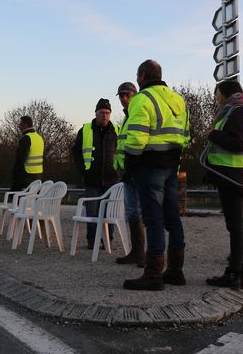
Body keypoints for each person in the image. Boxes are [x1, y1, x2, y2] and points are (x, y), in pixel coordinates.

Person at [123, 59, 190, 291]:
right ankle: (175, 270)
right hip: (172, 165)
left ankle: (153, 274)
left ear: (142, 76)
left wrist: (130, 165)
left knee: (153, 220)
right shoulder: (178, 100)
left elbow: (136, 139)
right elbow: (186, 136)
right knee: (173, 218)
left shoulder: (142, 99)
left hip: (149, 166)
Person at [205, 79, 243, 290]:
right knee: (238, 226)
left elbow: (238, 143)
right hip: (238, 174)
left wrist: (212, 134)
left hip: (232, 175)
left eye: (217, 94)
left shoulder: (236, 111)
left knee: (235, 227)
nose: (216, 98)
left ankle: (236, 274)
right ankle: (238, 273)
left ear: (225, 93)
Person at [71, 98, 118, 249]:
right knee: (92, 211)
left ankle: (107, 240)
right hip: (91, 179)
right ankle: (92, 240)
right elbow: (76, 152)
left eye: (107, 113)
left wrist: (120, 171)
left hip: (111, 179)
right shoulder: (85, 130)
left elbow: (123, 152)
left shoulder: (117, 130)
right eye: (102, 112)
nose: (104, 115)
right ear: (96, 113)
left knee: (109, 212)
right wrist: (82, 170)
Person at [113, 82, 145, 268]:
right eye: (121, 95)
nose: (124, 99)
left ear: (135, 94)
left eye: (127, 94)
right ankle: (137, 251)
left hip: (138, 170)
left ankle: (145, 255)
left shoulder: (137, 113)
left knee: (141, 212)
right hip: (127, 172)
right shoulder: (126, 117)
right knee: (132, 212)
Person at [10, 116, 44, 191]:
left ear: (26, 125)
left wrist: (14, 173)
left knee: (15, 197)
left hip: (25, 176)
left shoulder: (26, 138)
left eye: (20, 124)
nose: (19, 126)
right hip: (38, 176)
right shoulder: (39, 138)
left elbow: (21, 158)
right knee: (31, 199)